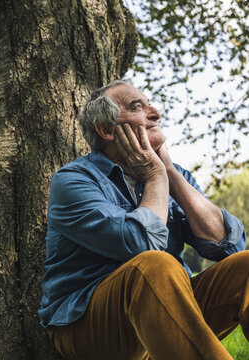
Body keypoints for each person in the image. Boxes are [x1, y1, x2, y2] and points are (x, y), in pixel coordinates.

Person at [38, 80, 248, 360]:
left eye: (150, 104)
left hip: (171, 315)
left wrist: (169, 173)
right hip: (89, 325)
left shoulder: (175, 175)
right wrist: (154, 176)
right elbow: (143, 246)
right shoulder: (74, 180)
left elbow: (228, 246)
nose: (156, 113)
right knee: (154, 265)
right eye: (138, 107)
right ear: (107, 129)